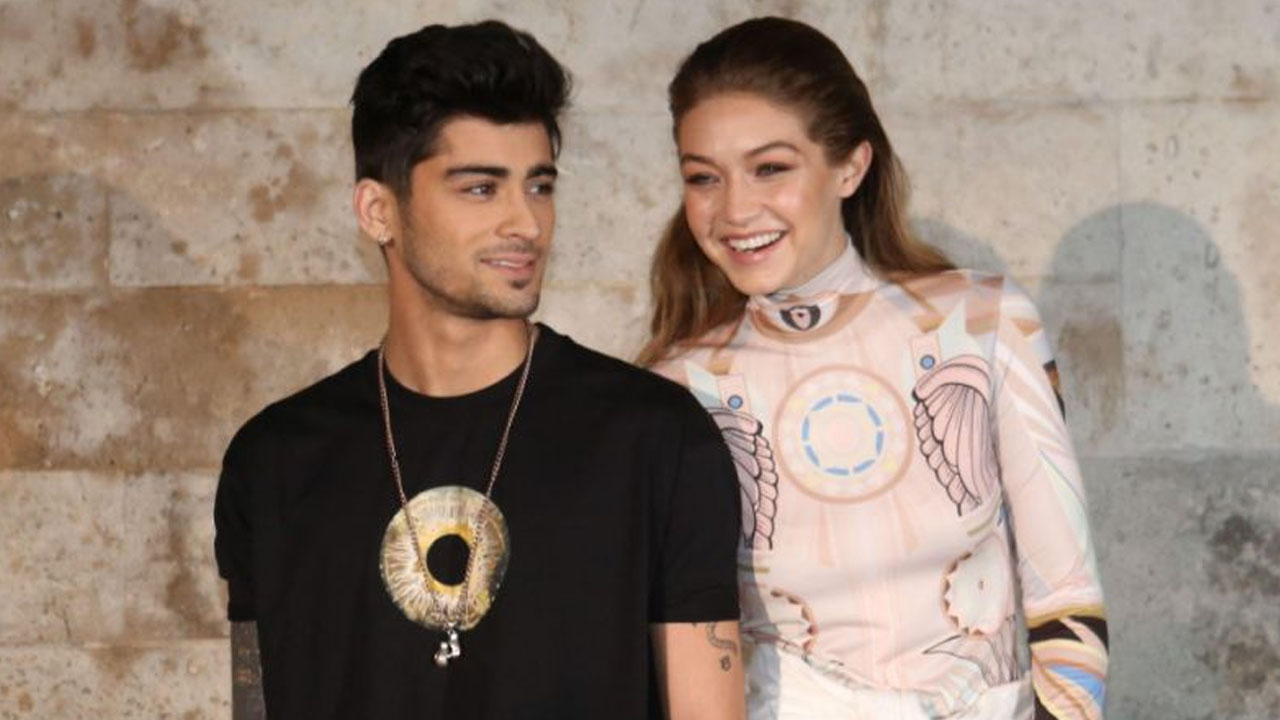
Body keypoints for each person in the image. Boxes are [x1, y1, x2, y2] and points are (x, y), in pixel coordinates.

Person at [214, 21, 743, 720]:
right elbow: (255, 701)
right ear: (378, 210)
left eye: (539, 186)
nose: (526, 222)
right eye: (480, 189)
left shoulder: (656, 440)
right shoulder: (273, 462)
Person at [639, 17, 1108, 720]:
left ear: (851, 167)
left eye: (771, 168)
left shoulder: (985, 323)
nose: (735, 209)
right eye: (704, 177)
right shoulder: (677, 387)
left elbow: (1067, 597)